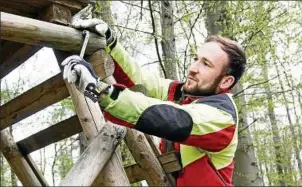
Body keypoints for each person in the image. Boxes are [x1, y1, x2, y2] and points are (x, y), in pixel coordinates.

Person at [61, 18, 246, 186]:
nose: (193, 69)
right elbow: (141, 81)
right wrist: (110, 42)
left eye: (206, 64)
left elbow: (172, 118)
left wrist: (100, 90)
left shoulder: (222, 118)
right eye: (195, 59)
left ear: (226, 81)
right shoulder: (185, 95)